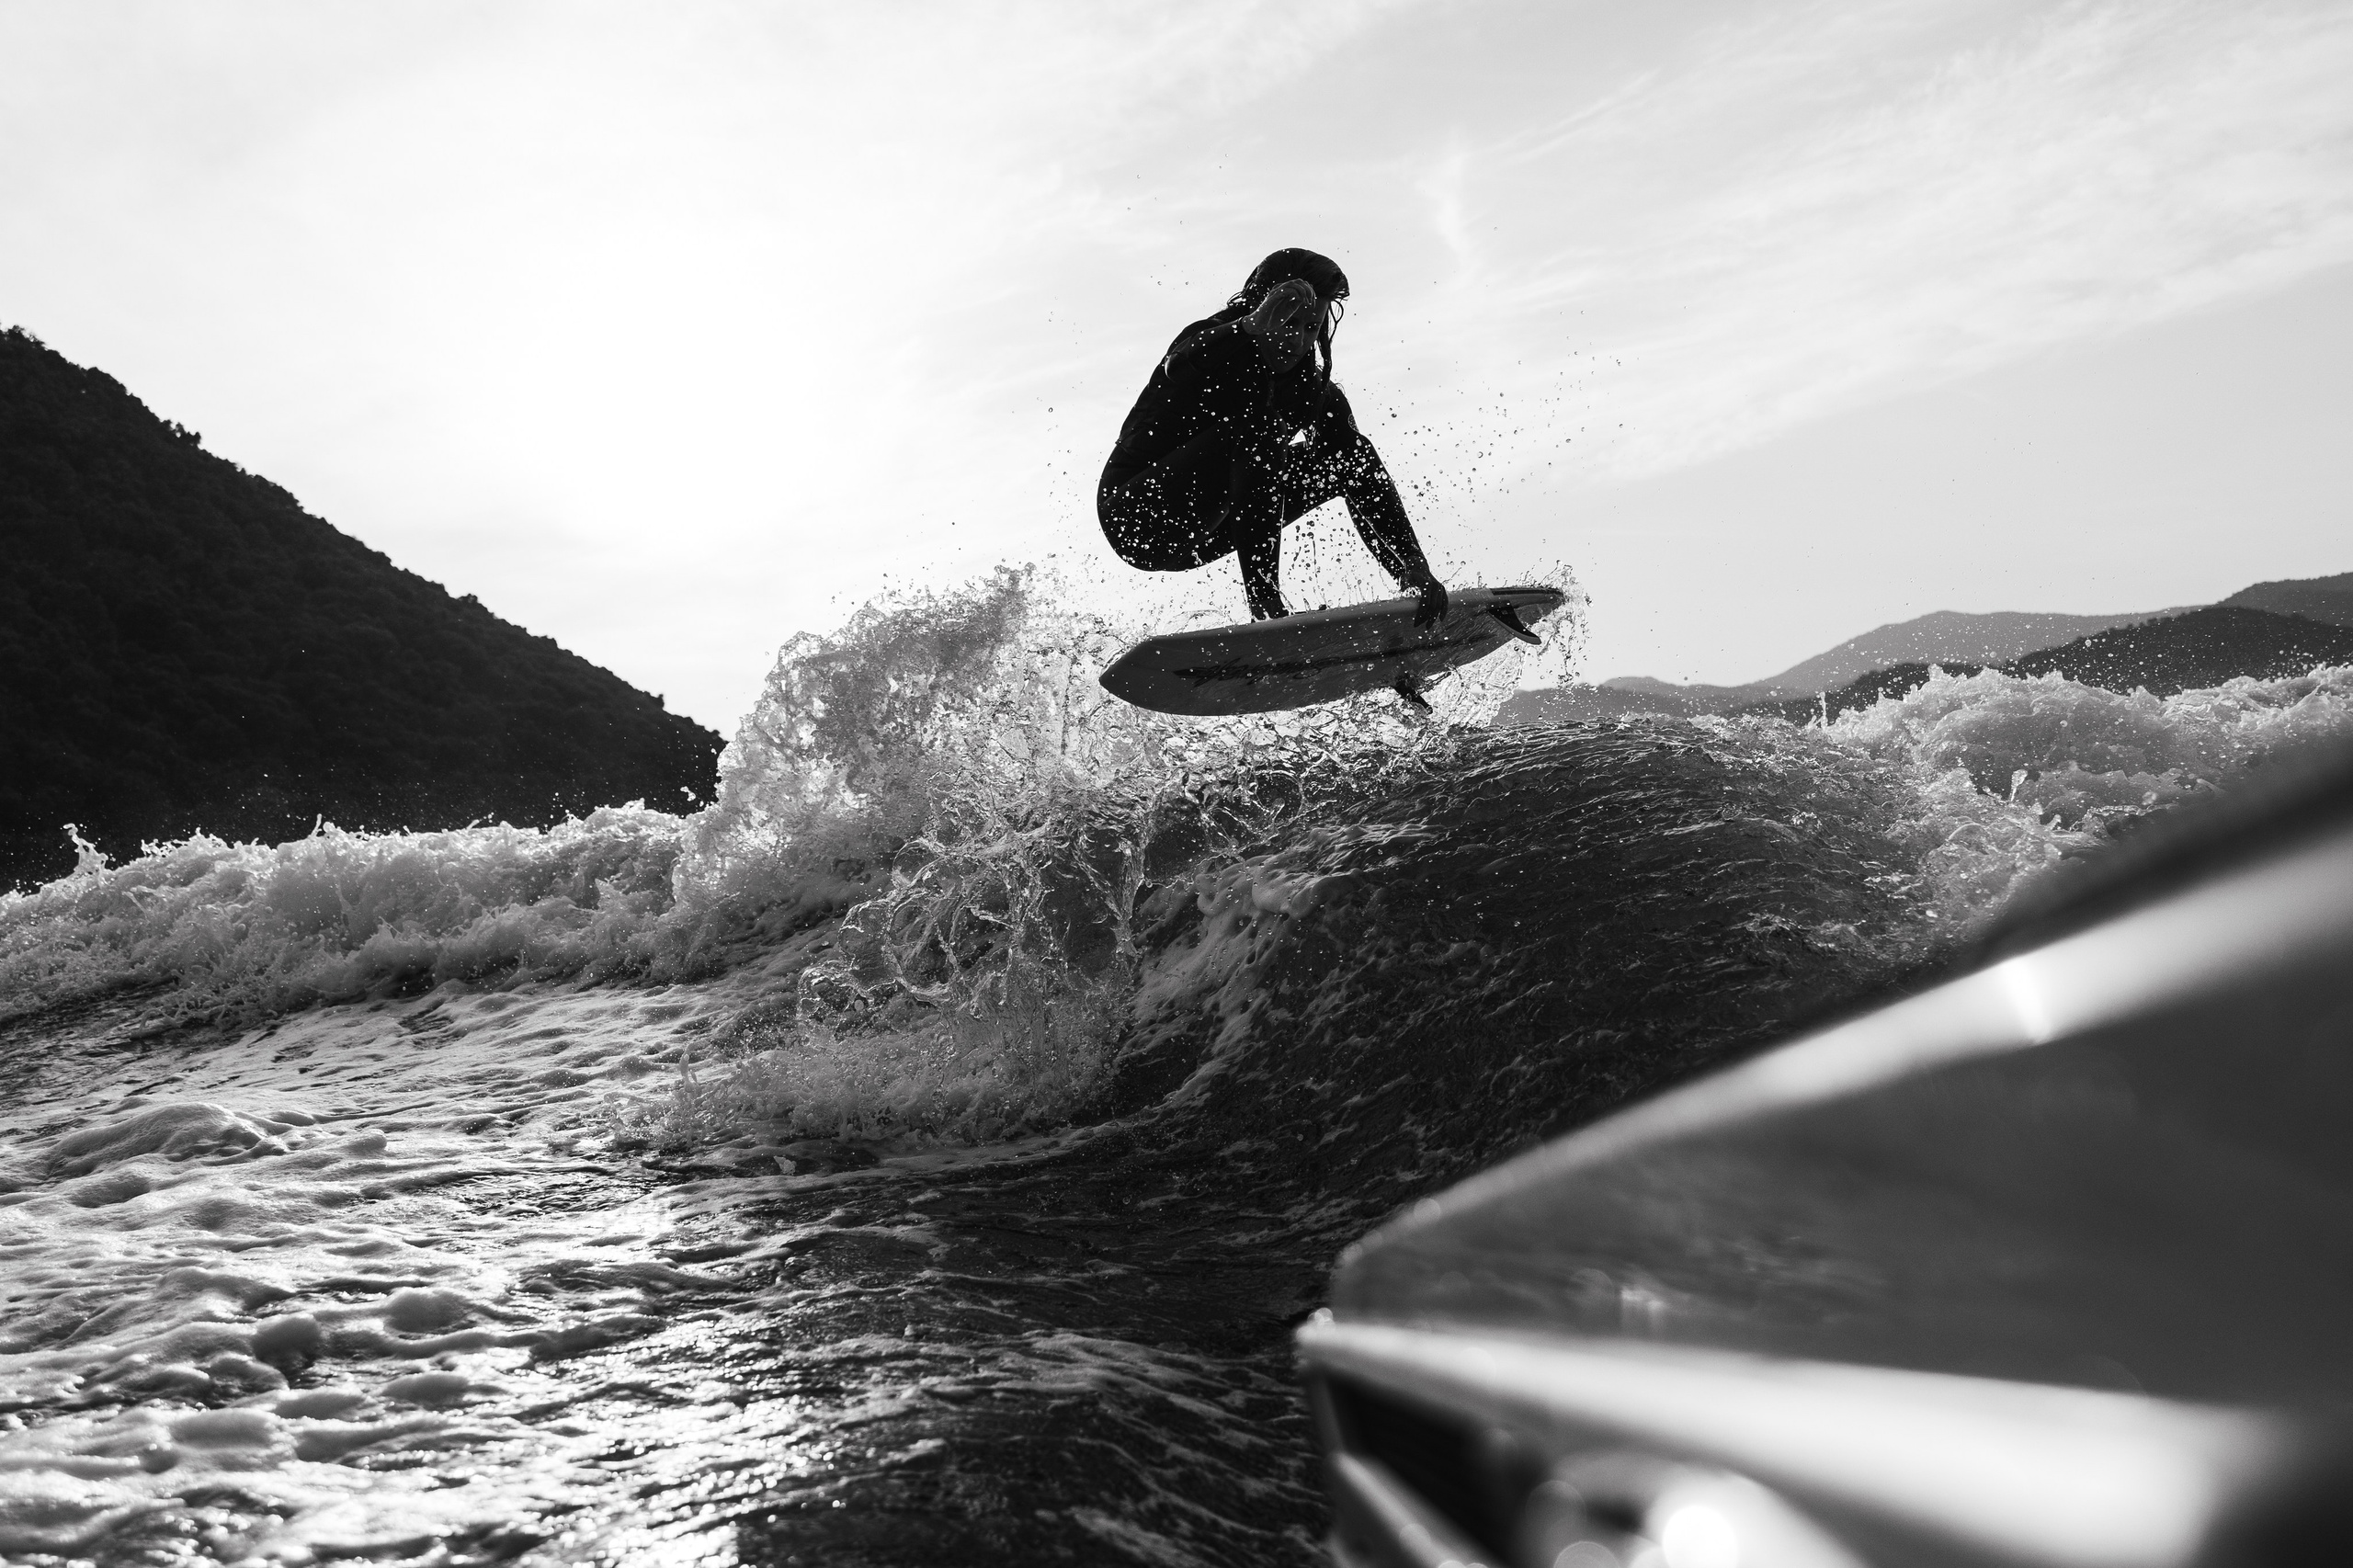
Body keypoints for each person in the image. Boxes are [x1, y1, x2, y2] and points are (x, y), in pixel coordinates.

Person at [1097, 248, 1449, 625]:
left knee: (1351, 452)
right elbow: (1177, 367)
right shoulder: (1215, 343)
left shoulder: (1308, 389)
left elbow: (1356, 468)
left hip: (1206, 535)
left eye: (1310, 327)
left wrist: (1413, 564)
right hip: (1138, 516)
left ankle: (1409, 578)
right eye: (1286, 322)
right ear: (1260, 309)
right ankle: (1267, 606)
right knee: (1258, 429)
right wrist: (1250, 325)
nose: (1296, 340)